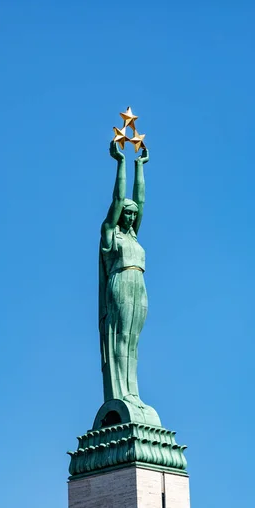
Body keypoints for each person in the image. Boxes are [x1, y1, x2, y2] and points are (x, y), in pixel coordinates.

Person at [99, 140, 149, 407]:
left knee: (133, 342)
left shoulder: (133, 237)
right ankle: (120, 393)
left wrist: (139, 166)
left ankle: (133, 392)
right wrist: (121, 163)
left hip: (138, 285)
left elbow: (139, 199)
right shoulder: (111, 234)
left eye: (133, 214)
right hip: (120, 282)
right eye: (126, 214)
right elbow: (120, 199)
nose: (130, 217)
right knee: (120, 337)